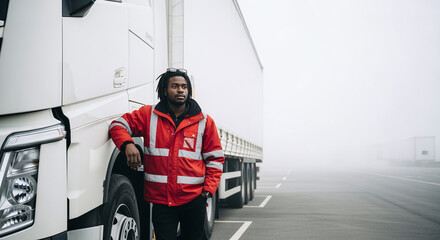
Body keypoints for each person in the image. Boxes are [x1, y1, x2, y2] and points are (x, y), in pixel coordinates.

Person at [109, 68, 225, 240]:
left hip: (194, 200)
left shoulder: (204, 121)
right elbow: (117, 125)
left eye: (184, 86)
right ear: (164, 90)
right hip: (162, 202)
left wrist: (207, 193)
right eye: (175, 86)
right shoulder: (149, 115)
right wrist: (127, 145)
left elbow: (215, 160)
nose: (180, 90)